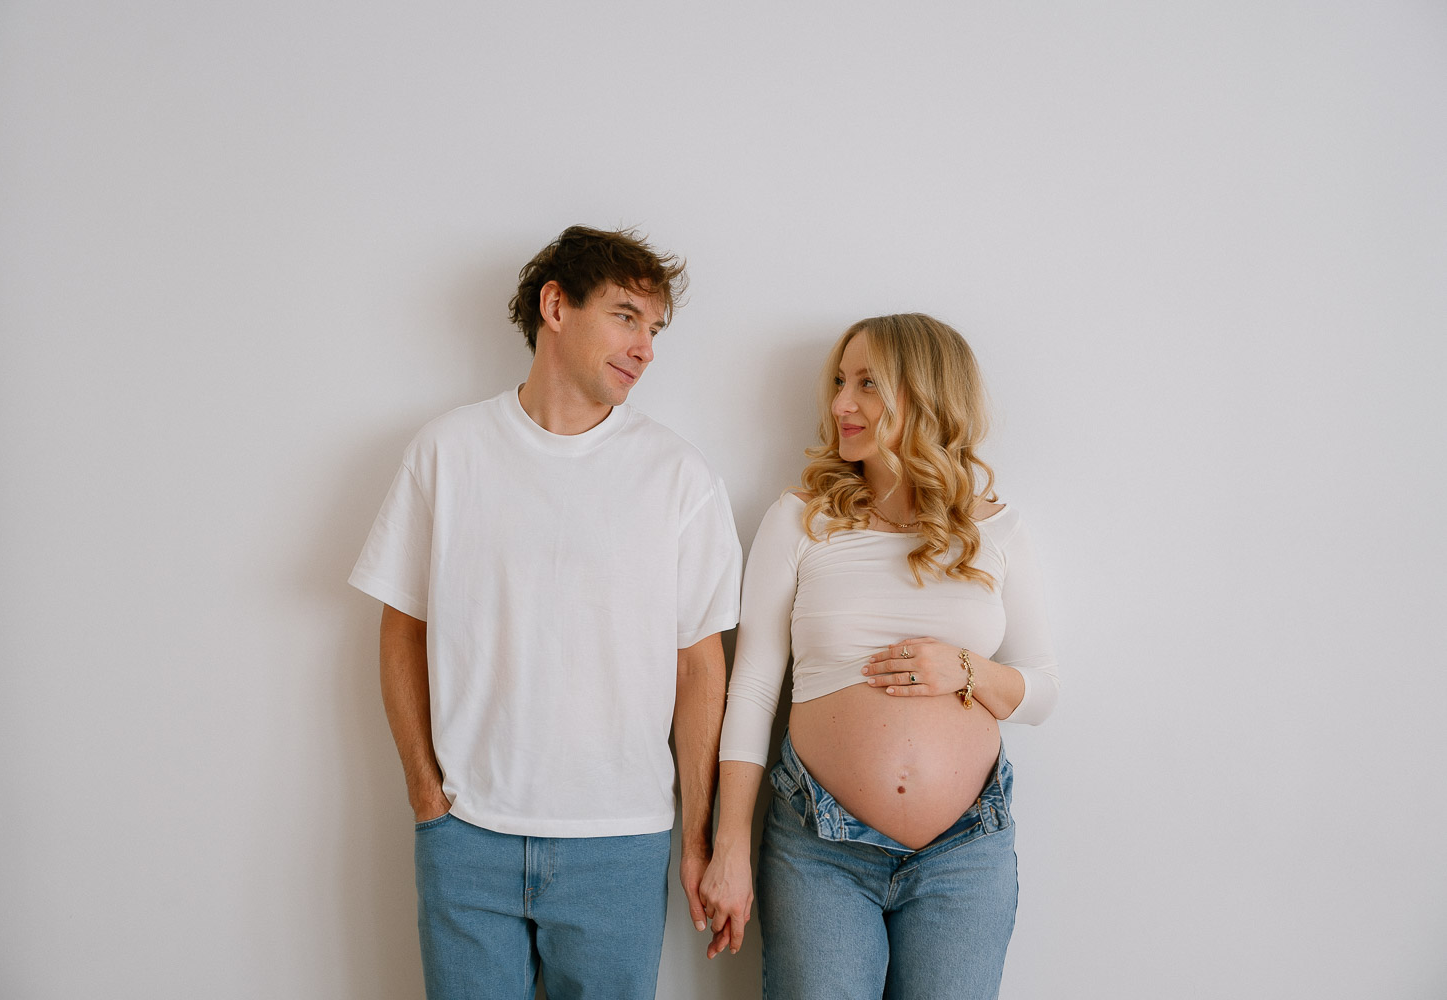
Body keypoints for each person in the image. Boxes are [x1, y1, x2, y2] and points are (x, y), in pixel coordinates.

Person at [348, 225, 742, 999]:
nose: (645, 348)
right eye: (627, 316)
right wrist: (426, 795)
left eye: (654, 329)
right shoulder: (449, 451)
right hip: (468, 839)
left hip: (620, 843)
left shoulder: (679, 477)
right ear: (555, 306)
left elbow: (700, 665)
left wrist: (694, 835)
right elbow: (403, 625)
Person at [698, 313, 1059, 998]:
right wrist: (730, 848)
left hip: (965, 853)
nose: (840, 404)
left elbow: (1041, 691)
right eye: (839, 381)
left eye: (867, 384)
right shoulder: (801, 518)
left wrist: (967, 669)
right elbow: (750, 691)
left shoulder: (998, 530)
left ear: (924, 395)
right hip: (819, 849)